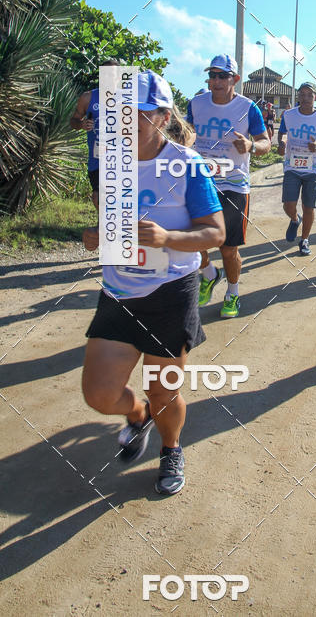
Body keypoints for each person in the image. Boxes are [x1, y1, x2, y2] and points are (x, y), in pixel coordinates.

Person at [82, 70, 226, 495]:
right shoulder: (110, 160)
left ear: (162, 117)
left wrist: (168, 238)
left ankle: (171, 447)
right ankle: (138, 416)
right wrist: (97, 236)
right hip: (119, 291)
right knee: (100, 395)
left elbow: (215, 233)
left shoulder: (186, 164)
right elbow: (113, 224)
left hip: (169, 293)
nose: (124, 122)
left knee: (165, 393)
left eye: (136, 114)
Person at [188, 55, 271, 318]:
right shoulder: (196, 103)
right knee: (190, 239)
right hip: (200, 181)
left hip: (233, 185)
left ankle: (232, 293)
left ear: (235, 79)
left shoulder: (248, 108)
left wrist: (251, 146)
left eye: (222, 76)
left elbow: (265, 143)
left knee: (227, 248)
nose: (216, 81)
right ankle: (209, 274)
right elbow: (186, 135)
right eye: (212, 75)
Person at [278, 82, 316, 255]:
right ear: (298, 97)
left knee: (308, 206)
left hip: (312, 168)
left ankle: (304, 240)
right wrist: (281, 142)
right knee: (288, 205)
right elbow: (283, 133)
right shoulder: (288, 115)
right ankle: (295, 219)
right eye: (302, 94)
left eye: (310, 95)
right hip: (292, 166)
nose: (305, 98)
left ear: (315, 98)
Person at [69, 58, 122, 209]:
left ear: (118, 77)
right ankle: (103, 222)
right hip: (97, 156)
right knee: (98, 194)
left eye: (111, 74)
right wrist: (81, 124)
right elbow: (73, 121)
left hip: (120, 155)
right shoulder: (88, 97)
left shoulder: (127, 99)